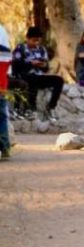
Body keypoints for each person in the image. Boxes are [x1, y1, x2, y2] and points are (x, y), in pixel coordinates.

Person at [12, 27, 64, 122]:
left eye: (38, 41)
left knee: (59, 80)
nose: (36, 43)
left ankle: (51, 106)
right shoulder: (20, 48)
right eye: (33, 40)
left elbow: (46, 68)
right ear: (27, 38)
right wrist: (30, 64)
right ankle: (30, 109)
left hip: (39, 75)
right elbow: (16, 66)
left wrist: (43, 65)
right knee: (32, 82)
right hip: (25, 76)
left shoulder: (41, 49)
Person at [0, 22, 12, 161]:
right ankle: (4, 148)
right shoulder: (6, 52)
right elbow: (8, 70)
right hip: (2, 86)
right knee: (2, 118)